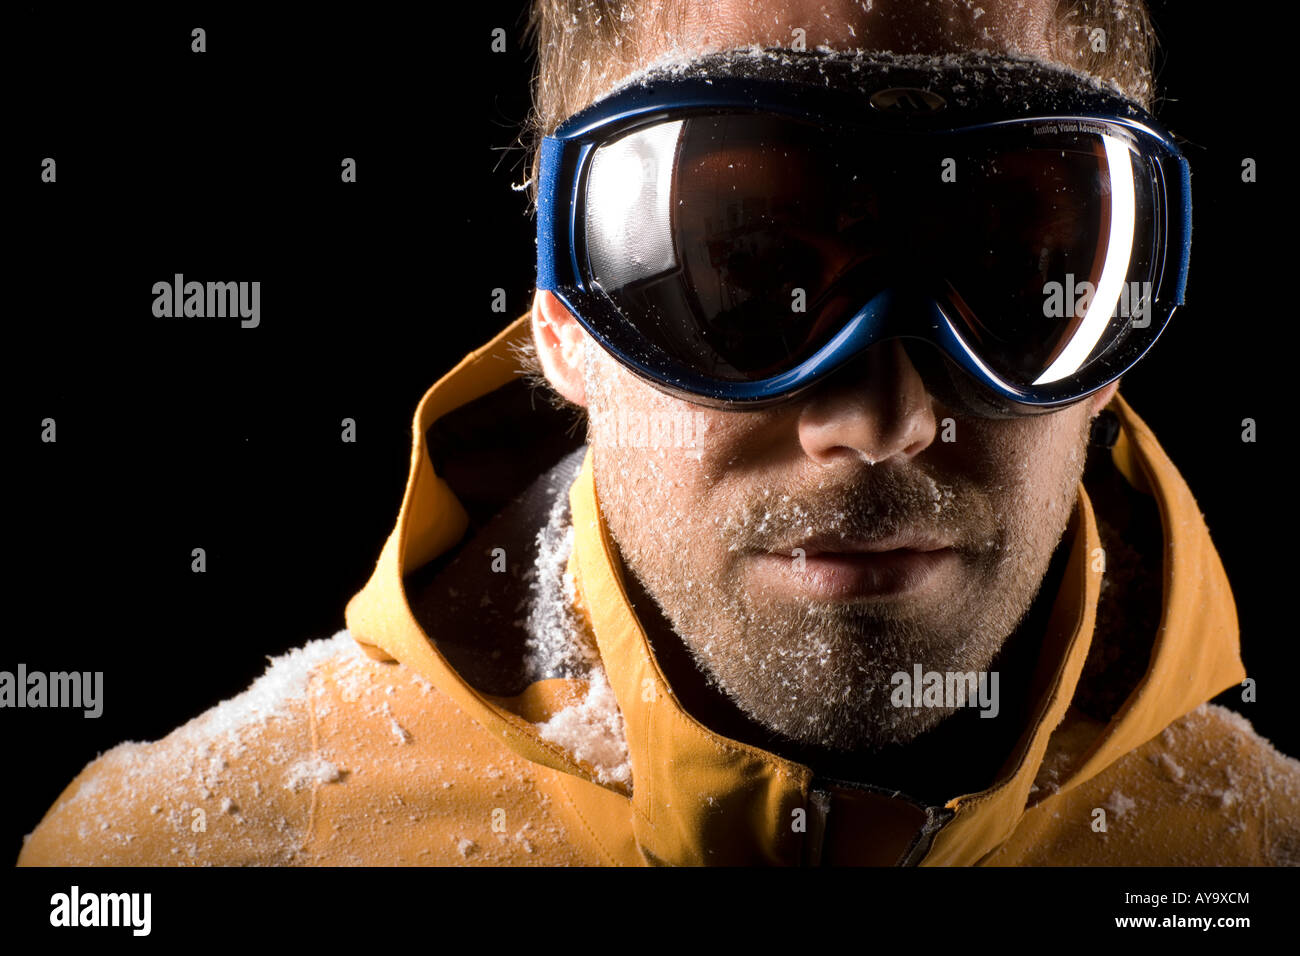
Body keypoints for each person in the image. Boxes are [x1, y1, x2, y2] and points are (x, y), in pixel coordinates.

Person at [18, 0, 1299, 867]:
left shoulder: (1258, 852)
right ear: (560, 322)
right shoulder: (180, 852)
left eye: (1017, 273)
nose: (882, 417)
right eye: (737, 270)